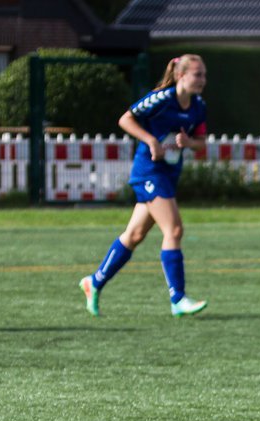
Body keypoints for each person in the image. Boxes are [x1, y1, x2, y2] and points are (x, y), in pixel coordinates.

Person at [79, 54, 209, 317]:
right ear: (181, 75)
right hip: (149, 172)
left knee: (134, 236)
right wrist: (151, 140)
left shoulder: (198, 105)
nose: (202, 80)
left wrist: (189, 144)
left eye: (204, 75)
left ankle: (94, 282)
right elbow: (125, 119)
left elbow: (202, 143)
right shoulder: (162, 99)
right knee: (174, 229)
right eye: (197, 74)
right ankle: (178, 299)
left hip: (169, 173)